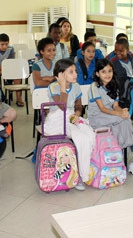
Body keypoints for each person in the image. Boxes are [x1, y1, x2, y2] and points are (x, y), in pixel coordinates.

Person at [88, 59, 133, 174]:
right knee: (121, 119)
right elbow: (102, 109)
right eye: (103, 72)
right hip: (97, 117)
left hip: (110, 116)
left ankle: (123, 152)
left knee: (125, 118)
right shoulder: (94, 86)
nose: (107, 74)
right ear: (97, 73)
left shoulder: (114, 85)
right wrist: (119, 114)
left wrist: (122, 112)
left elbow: (115, 106)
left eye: (110, 71)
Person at [44, 58, 95, 190]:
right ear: (60, 75)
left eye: (75, 71)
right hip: (57, 119)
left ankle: (86, 169)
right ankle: (80, 177)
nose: (75, 74)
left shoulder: (76, 86)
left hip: (71, 117)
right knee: (80, 138)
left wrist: (77, 116)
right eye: (71, 72)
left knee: (89, 133)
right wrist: (62, 86)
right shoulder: (53, 87)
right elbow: (62, 107)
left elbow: (78, 106)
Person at [0, 33, 24, 106]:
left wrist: (6, 68)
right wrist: (5, 67)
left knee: (17, 75)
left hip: (6, 67)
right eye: (2, 44)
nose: (5, 46)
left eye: (6, 44)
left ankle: (19, 98)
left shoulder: (11, 48)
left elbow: (11, 63)